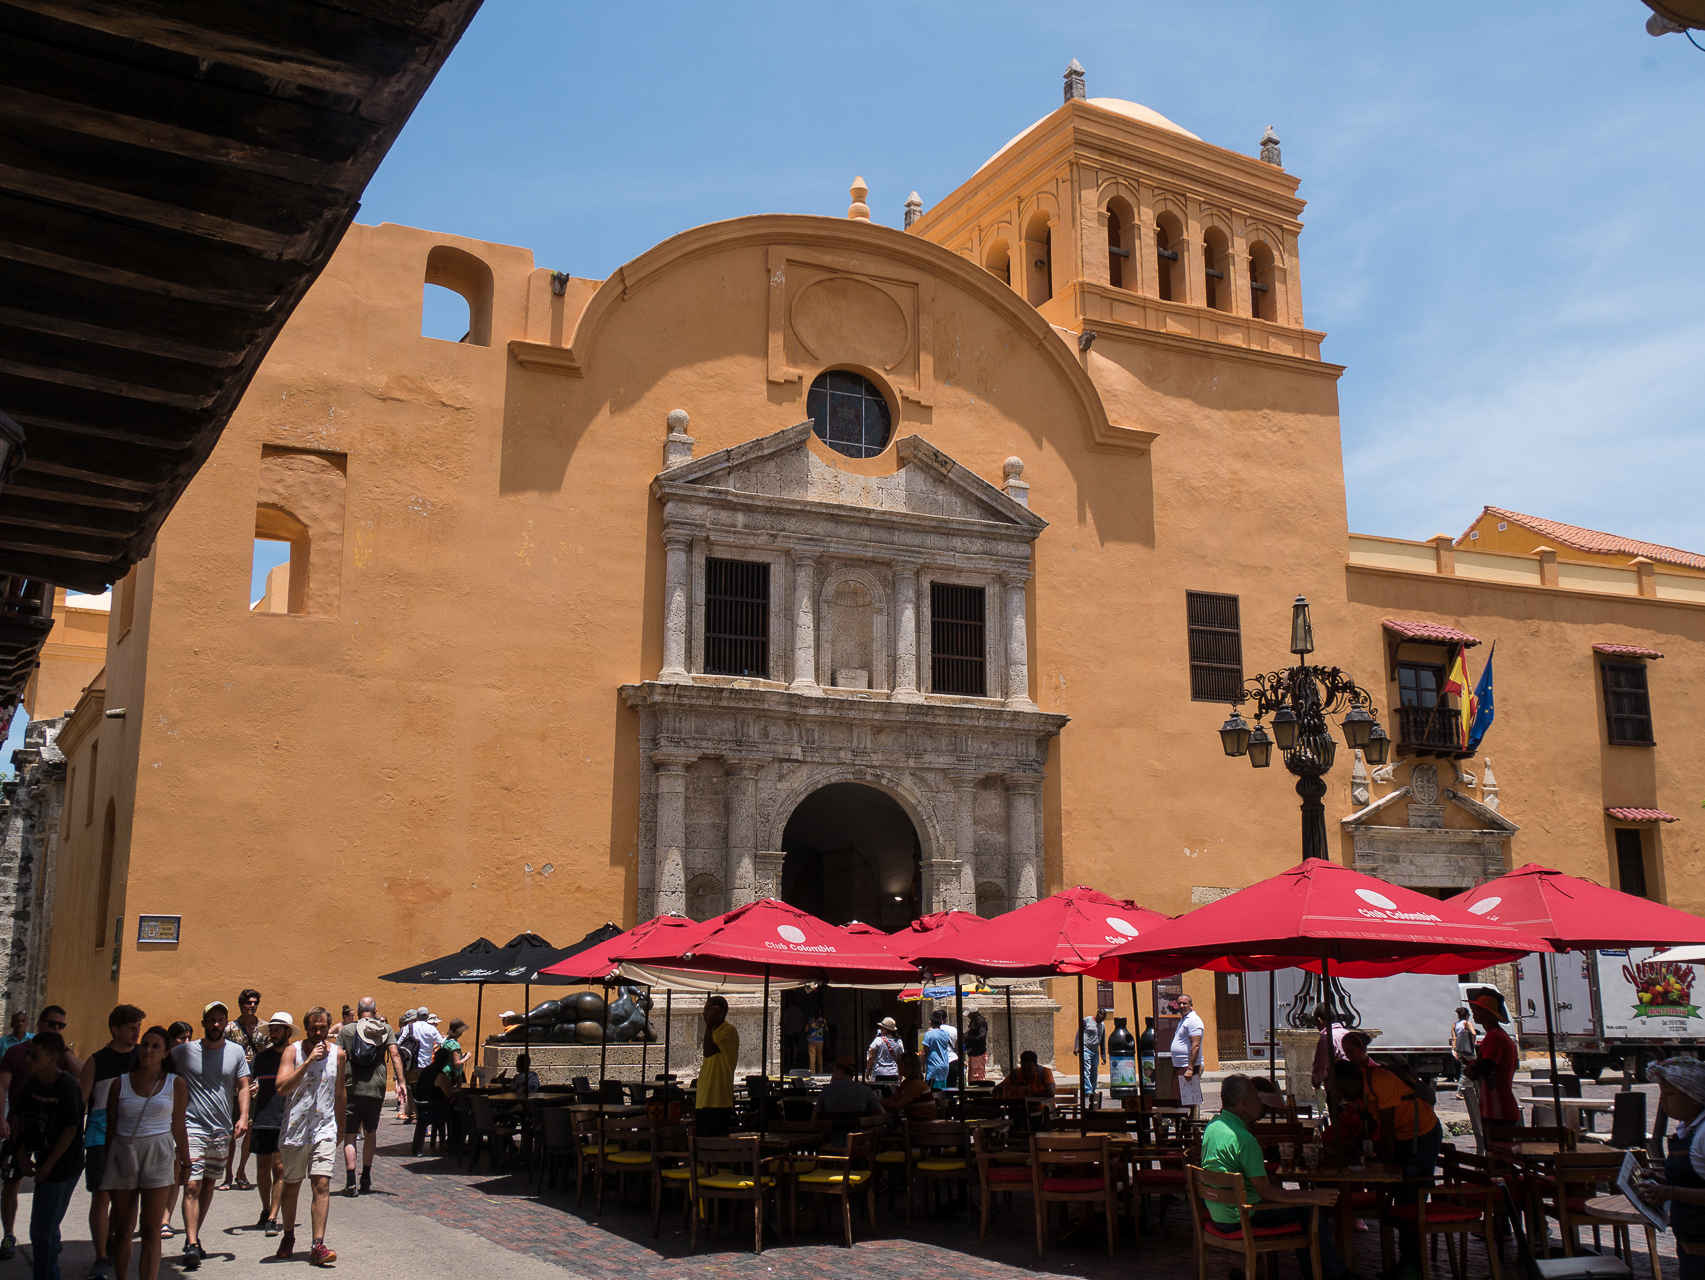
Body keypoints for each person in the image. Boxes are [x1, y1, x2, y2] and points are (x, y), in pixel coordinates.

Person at [1202, 1074, 1350, 1280]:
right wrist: (1313, 1196)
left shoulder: (1214, 1126)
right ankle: (1332, 1275)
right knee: (1308, 1211)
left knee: (1302, 1209)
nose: (1261, 1103)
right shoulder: (1244, 1140)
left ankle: (1329, 1273)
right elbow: (1267, 1193)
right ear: (1243, 1103)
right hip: (1242, 1218)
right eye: (1256, 1098)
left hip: (1220, 1214)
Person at [1344, 1033, 1443, 1280]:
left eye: (1340, 1088)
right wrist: (1354, 1145)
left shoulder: (1381, 1080)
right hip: (1402, 1135)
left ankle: (1415, 1265)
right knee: (1400, 1198)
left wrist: (1386, 1171)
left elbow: (1386, 1130)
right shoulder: (1356, 1093)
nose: (1341, 1096)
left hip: (1422, 1134)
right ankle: (1407, 1260)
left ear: (1350, 1080)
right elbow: (1369, 1124)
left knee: (1410, 1197)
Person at [98, 1025, 189, 1280]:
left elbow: (178, 1125)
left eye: (155, 1046)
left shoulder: (176, 1083)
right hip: (124, 1153)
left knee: (150, 1229)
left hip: (159, 1153)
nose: (148, 1050)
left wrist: (186, 1163)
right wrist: (109, 1163)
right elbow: (111, 1128)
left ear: (166, 1052)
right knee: (124, 1229)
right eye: (145, 1045)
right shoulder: (120, 1083)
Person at [170, 1000, 252, 1271]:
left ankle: (194, 1235)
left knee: (208, 1185)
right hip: (191, 1126)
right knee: (191, 1184)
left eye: (221, 1020)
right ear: (203, 1023)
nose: (216, 1024)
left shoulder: (236, 1051)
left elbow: (243, 1086)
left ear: (226, 1023)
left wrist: (242, 1116)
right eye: (211, 1020)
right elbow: (162, 1074)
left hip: (221, 1128)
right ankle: (192, 1244)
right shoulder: (183, 1051)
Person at [0, 1006, 76, 1263]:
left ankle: (50, 1232)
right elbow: (3, 1087)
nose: (56, 1029)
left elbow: (84, 1074)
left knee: (48, 1199)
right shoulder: (16, 1053)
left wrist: (63, 1049)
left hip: (50, 1136)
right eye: (52, 1024)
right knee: (12, 1183)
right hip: (20, 1129)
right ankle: (9, 1233)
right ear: (40, 1023)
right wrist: (3, 1118)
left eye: (60, 1026)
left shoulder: (58, 1057)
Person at [78, 1002, 144, 1280]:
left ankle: (113, 1240)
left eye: (138, 1028)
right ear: (115, 1030)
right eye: (131, 1028)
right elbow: (82, 1101)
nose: (136, 1033)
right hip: (99, 1136)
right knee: (102, 1195)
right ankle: (101, 1256)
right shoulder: (96, 1061)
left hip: (134, 1136)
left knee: (125, 1198)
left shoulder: (144, 1057)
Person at [274, 1007, 344, 1267]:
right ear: (306, 1028)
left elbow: (339, 1093)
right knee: (292, 1185)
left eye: (322, 1028)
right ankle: (289, 1235)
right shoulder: (292, 1052)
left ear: (328, 1028)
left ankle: (318, 1245)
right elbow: (281, 1088)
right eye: (313, 1028)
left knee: (321, 1184)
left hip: (324, 1128)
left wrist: (342, 1127)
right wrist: (307, 1062)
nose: (318, 1032)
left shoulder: (338, 1054)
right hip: (295, 1130)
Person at [14, 1031, 82, 1280]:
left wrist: (47, 1167)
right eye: (27, 1053)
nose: (28, 1059)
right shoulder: (33, 1082)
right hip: (42, 1161)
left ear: (53, 1057)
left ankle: (47, 1276)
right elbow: (17, 1117)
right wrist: (22, 1157)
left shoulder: (67, 1086)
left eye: (34, 1054)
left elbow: (71, 1129)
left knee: (42, 1229)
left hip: (64, 1166)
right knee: (43, 1227)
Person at [1633, 1057, 1705, 1280]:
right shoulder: (1687, 1129)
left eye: (1670, 1094)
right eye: (1662, 1093)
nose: (1663, 1101)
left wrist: (1670, 1193)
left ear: (1693, 1096)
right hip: (1691, 1246)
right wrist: (1660, 1180)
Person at [336, 997, 404, 1198]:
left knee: (350, 1135)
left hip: (352, 1086)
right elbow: (395, 1055)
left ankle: (350, 1182)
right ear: (375, 1010)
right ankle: (365, 1177)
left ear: (357, 1011)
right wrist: (401, 1082)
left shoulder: (347, 1030)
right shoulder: (385, 1029)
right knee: (370, 1132)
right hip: (376, 1087)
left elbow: (338, 1056)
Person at [249, 1012, 293, 1236]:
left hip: (285, 1121)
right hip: (262, 1120)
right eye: (271, 1030)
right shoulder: (260, 1059)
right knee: (262, 1169)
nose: (273, 1034)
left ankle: (274, 1216)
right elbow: (245, 1083)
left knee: (280, 1169)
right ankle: (265, 1209)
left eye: (277, 1030)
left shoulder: (296, 1057)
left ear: (288, 1032)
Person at [223, 990, 265, 1193]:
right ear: (240, 1004)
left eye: (255, 1002)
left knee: (249, 1129)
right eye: (248, 1002)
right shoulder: (230, 1028)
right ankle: (228, 1173)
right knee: (231, 1131)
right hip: (232, 1087)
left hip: (255, 1086)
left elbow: (271, 1056)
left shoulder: (264, 1028)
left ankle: (241, 1171)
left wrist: (262, 1081)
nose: (252, 1005)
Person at [1462, 990, 1519, 1137]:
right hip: (1496, 1110)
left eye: (1477, 1008)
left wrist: (1471, 1069)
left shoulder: (1494, 1037)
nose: (1473, 1012)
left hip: (1499, 1112)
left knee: (1498, 1157)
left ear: (1487, 1012)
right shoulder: (1497, 1036)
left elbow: (1486, 1067)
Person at [158, 1022, 194, 1242]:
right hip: (158, 1122)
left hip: (181, 1121)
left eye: (190, 1038)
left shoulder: (190, 1060)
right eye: (182, 1038)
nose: (187, 1043)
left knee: (175, 1170)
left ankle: (165, 1219)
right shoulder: (160, 1063)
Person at [695, 996, 738, 1138]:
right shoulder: (713, 1033)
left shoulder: (729, 1030)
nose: (704, 1014)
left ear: (720, 1012)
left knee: (715, 1149)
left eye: (708, 1010)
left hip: (718, 1102)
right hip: (703, 1100)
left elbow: (708, 1051)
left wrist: (708, 1025)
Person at [815, 1057, 883, 1141]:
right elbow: (882, 1115)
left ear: (840, 1071)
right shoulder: (866, 1091)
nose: (833, 1075)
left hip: (831, 1144)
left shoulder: (826, 1090)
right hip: (858, 1145)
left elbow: (814, 1118)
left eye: (834, 1071)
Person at [410, 1047, 455, 1157]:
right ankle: (452, 1142)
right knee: (458, 1112)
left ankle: (452, 1142)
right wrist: (456, 1083)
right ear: (446, 1061)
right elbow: (450, 1095)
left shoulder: (426, 1071)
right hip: (432, 1110)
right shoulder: (440, 1075)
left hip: (423, 1108)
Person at [1171, 993, 1206, 1115]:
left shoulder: (1194, 1021)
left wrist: (1190, 1069)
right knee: (1179, 1099)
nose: (1181, 1006)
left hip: (1188, 1066)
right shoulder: (1184, 1020)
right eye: (1179, 1003)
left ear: (1191, 1005)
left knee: (1189, 1101)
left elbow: (1195, 1045)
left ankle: (1191, 1127)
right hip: (1180, 1066)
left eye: (1184, 1003)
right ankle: (1182, 1126)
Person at [1309, 1002, 1351, 1093]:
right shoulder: (1347, 1033)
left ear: (1320, 1020)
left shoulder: (1326, 1038)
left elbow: (1321, 1064)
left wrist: (1316, 1080)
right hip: (1352, 1085)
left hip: (1336, 1088)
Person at [879, 1053, 936, 1119]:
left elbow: (899, 1105)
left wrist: (879, 1101)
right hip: (915, 1121)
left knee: (889, 1129)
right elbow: (892, 1099)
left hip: (924, 1123)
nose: (898, 1066)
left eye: (900, 1064)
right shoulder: (906, 1082)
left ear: (908, 1067)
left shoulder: (915, 1085)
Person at [1076, 1007, 1105, 1100]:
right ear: (1098, 1014)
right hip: (1086, 1049)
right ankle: (1087, 1090)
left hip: (1095, 1051)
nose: (1102, 1019)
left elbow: (1102, 1041)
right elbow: (1079, 1033)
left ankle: (1093, 1089)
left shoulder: (1102, 1025)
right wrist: (1077, 1047)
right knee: (1086, 1069)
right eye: (1101, 1017)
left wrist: (1103, 1056)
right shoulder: (1087, 1020)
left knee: (1094, 1071)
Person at [866, 1017, 903, 1089]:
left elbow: (871, 1056)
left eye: (882, 1028)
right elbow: (901, 1059)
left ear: (886, 1030)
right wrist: (901, 1073)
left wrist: (867, 1070)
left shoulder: (878, 1040)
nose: (880, 1029)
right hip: (893, 1073)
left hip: (879, 1074)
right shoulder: (899, 1042)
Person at [922, 1011, 954, 1089]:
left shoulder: (928, 1034)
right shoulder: (946, 1034)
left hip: (933, 1067)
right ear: (942, 1022)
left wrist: (920, 1064)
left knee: (931, 1091)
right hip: (944, 1067)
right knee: (942, 1091)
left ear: (930, 1022)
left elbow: (925, 1052)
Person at [1450, 1006, 1476, 1097]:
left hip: (1459, 1049)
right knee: (1468, 1070)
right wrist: (1472, 1043)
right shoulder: (1467, 1023)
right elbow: (1473, 1033)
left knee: (1463, 1069)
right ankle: (1460, 1092)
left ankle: (1470, 1090)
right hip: (1467, 1049)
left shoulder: (1454, 1025)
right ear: (1467, 1015)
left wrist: (1453, 1049)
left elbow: (1454, 1038)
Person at [964, 1009, 989, 1083]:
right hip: (973, 1052)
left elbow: (982, 1037)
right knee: (972, 1074)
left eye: (969, 1014)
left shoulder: (981, 1022)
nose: (968, 1016)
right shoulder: (974, 1021)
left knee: (977, 1075)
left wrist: (969, 1037)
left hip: (978, 1053)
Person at [443, 1019, 470, 1085]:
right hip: (452, 1075)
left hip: (444, 1073)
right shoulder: (454, 1044)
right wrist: (467, 1057)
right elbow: (457, 1064)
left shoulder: (446, 1041)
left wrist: (461, 1056)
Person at [805, 1011, 827, 1076]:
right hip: (820, 1040)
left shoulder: (810, 1020)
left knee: (812, 1056)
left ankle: (812, 1073)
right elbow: (826, 1029)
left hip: (811, 1040)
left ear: (812, 1012)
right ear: (820, 1012)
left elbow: (806, 1030)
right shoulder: (823, 1020)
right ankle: (820, 1072)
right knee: (819, 1056)